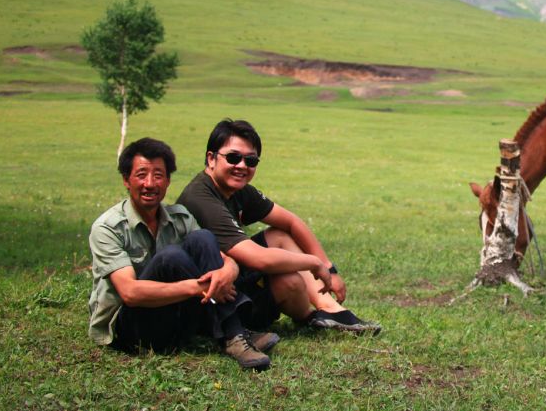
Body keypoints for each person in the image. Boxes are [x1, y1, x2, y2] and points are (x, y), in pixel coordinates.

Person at [88, 137, 280, 370]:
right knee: (172, 257)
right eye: (141, 175)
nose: (150, 183)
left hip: (175, 320)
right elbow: (130, 293)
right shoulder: (108, 227)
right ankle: (234, 331)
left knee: (202, 238)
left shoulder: (180, 217)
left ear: (168, 181)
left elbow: (221, 257)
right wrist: (200, 288)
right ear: (126, 180)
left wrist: (227, 272)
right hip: (132, 330)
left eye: (158, 175)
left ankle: (234, 332)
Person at [176, 119, 381, 335]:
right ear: (211, 158)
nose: (242, 166)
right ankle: (314, 316)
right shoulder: (201, 197)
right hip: (208, 300)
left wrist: (329, 267)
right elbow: (258, 258)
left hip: (231, 277)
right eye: (233, 157)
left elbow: (291, 222)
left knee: (281, 241)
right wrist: (314, 263)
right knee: (289, 278)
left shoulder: (239, 190)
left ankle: (328, 311)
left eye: (251, 160)